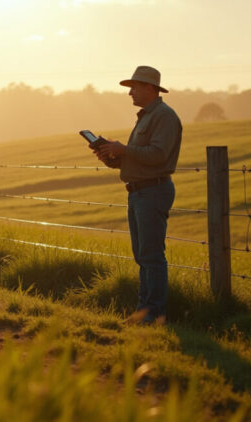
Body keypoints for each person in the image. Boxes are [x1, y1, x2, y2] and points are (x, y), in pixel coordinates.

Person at [93, 65, 182, 324]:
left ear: (150, 88)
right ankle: (144, 311)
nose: (130, 92)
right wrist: (111, 157)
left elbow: (158, 155)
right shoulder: (147, 116)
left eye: (134, 87)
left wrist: (124, 150)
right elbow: (140, 159)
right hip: (139, 191)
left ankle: (153, 314)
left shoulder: (164, 116)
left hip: (153, 190)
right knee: (143, 256)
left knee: (151, 256)